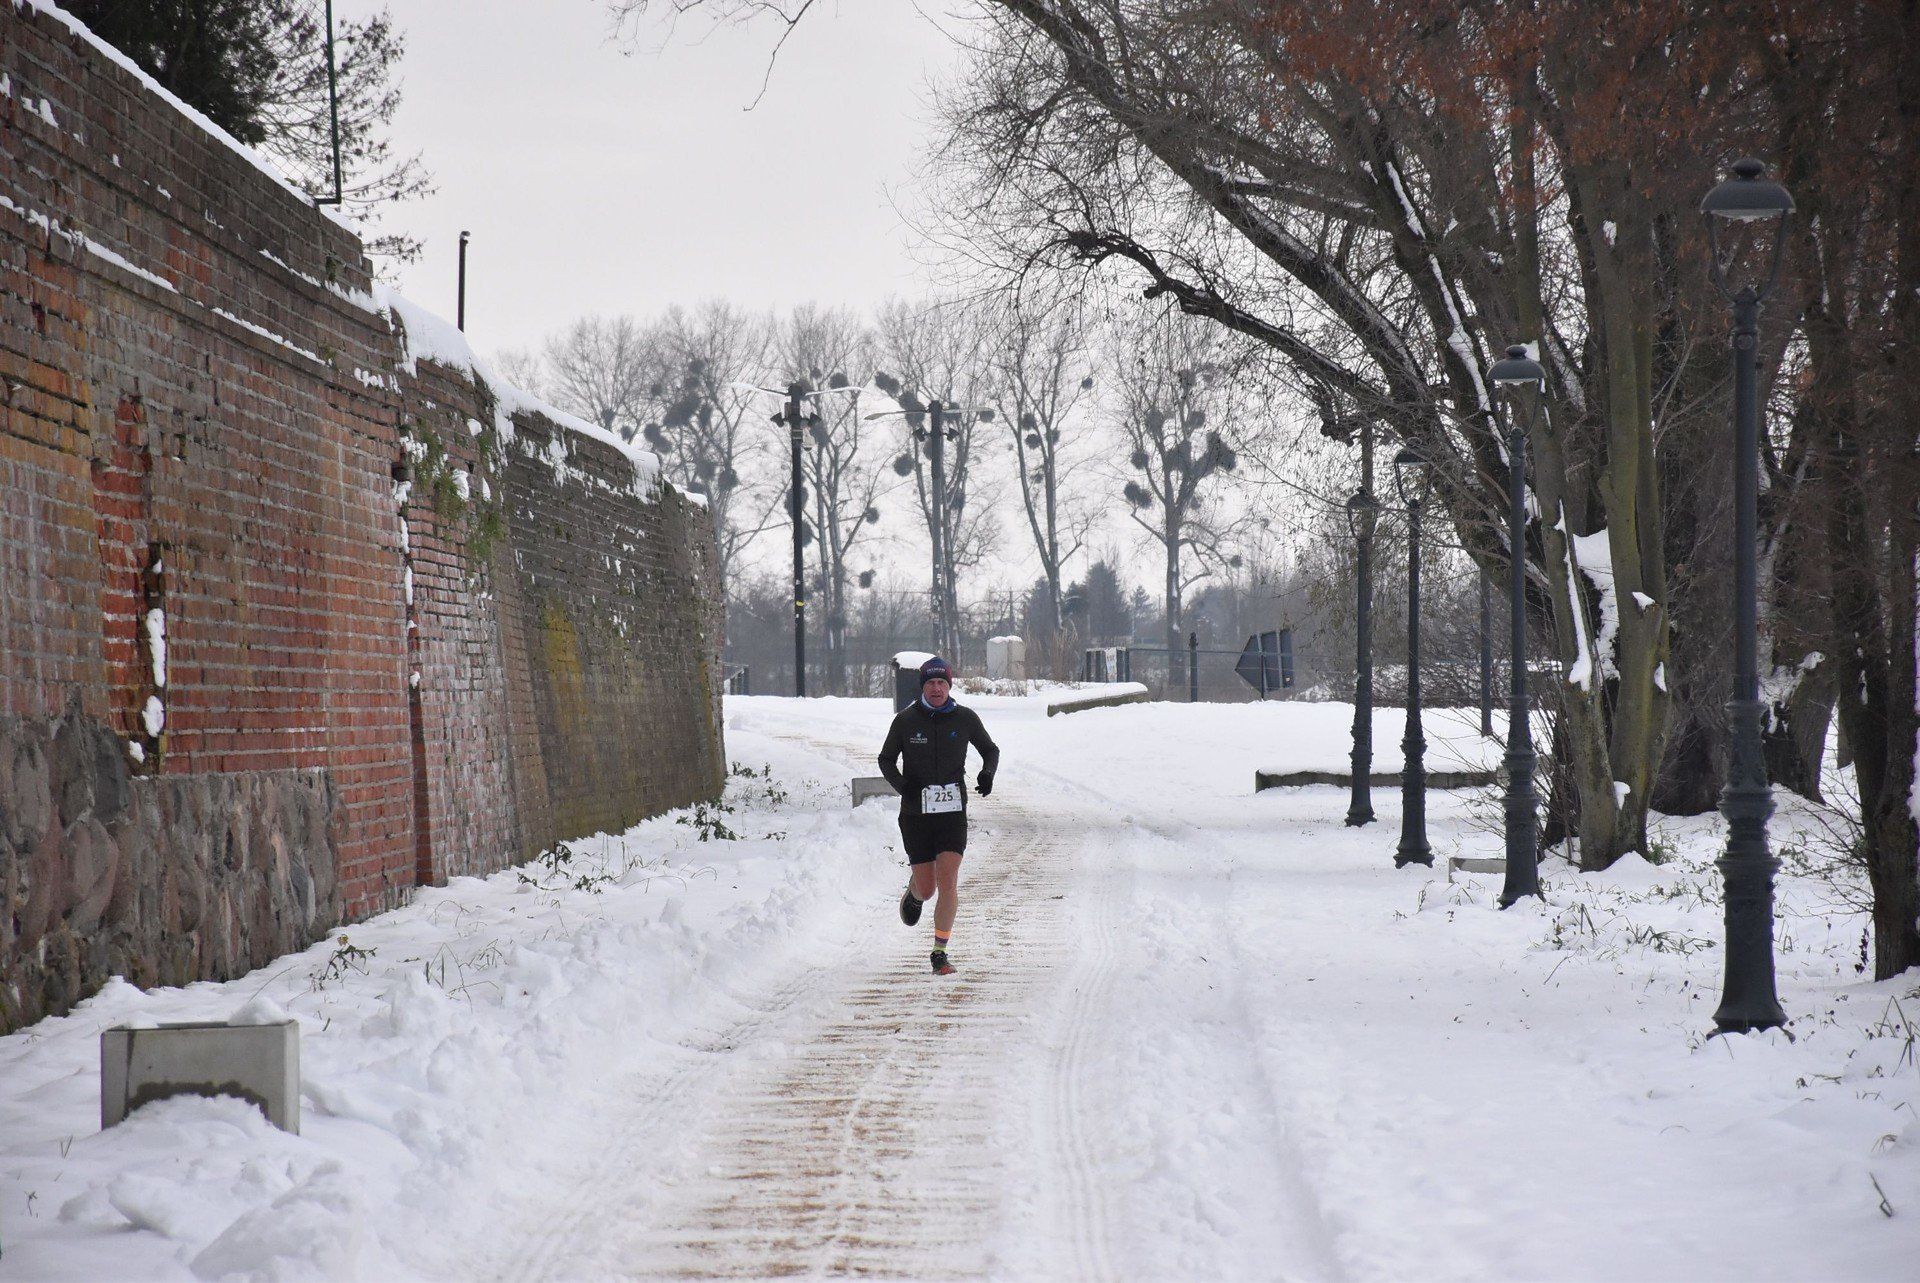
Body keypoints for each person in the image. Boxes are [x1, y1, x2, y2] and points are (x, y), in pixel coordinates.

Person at [878, 656, 999, 975]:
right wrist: (904, 787)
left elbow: (990, 750)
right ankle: (915, 892)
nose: (936, 688)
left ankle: (939, 952)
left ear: (949, 686)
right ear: (923, 686)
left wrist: (987, 773)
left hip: (952, 814)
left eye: (941, 683)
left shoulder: (965, 718)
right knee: (928, 887)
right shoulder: (906, 721)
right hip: (915, 816)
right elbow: (886, 759)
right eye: (930, 683)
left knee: (948, 881)